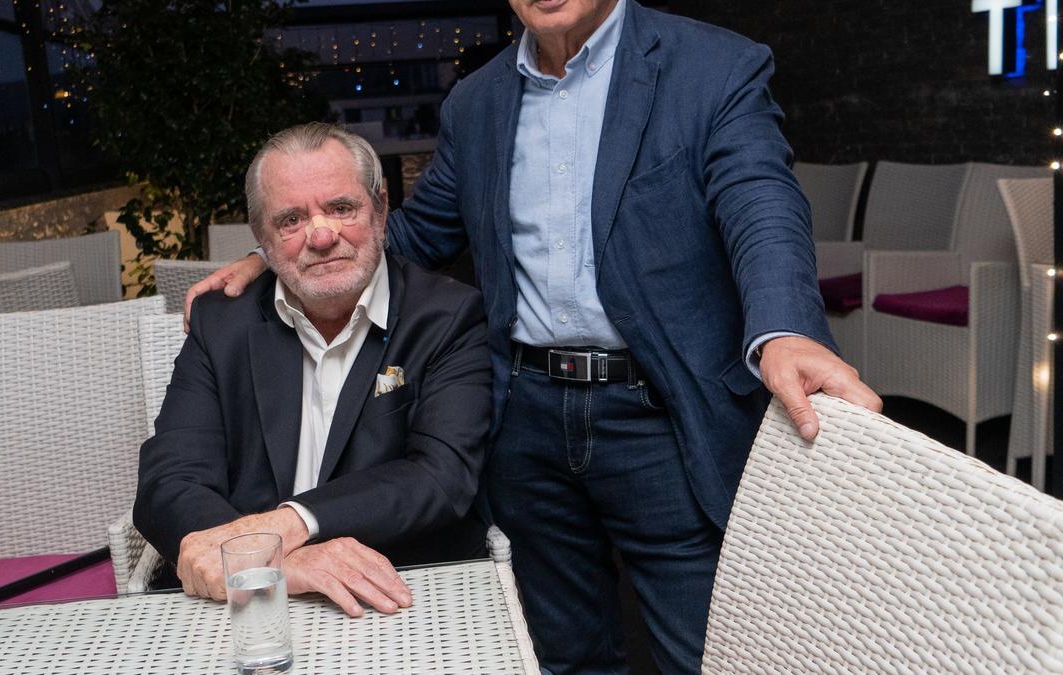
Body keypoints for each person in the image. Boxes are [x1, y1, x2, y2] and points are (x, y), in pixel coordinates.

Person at [185, 1, 882, 672]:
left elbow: (760, 203)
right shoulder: (477, 101)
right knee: (565, 652)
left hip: (661, 412)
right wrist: (278, 258)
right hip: (526, 418)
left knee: (703, 652)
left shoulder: (711, 67)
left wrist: (785, 329)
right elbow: (415, 234)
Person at [134, 123, 492, 617]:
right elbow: (169, 482)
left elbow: (441, 475)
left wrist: (290, 525)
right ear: (261, 237)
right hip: (245, 606)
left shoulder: (448, 318)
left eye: (342, 208)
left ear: (380, 209)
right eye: (291, 219)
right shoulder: (222, 324)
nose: (322, 236)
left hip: (397, 596)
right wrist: (274, 562)